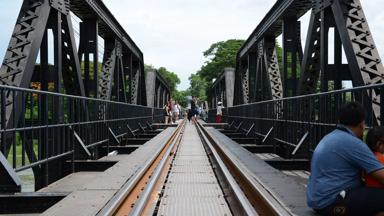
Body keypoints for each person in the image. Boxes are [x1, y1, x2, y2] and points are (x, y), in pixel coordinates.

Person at [306, 102, 384, 216]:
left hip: (318, 200)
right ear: (361, 124)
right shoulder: (353, 143)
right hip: (332, 203)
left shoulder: (330, 137)